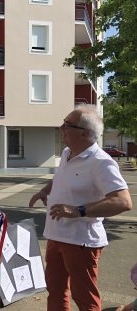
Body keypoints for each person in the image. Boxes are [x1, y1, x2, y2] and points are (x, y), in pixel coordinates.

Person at [28, 104, 132, 311]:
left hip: (81, 241)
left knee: (84, 296)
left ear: (84, 133)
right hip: (56, 235)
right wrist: (45, 191)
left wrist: (78, 210)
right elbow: (62, 178)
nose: (61, 128)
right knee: (56, 291)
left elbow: (123, 201)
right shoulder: (68, 153)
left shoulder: (101, 162)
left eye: (67, 125)